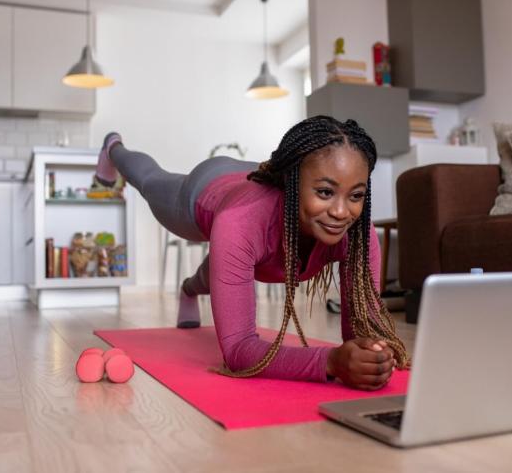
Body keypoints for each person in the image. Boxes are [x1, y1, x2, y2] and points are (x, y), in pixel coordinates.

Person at [94, 116, 409, 390]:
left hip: (249, 217)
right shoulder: (240, 221)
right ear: (291, 183)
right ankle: (113, 149)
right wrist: (330, 362)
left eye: (355, 195)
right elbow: (239, 352)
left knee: (229, 259)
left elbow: (362, 332)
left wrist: (372, 352)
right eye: (325, 192)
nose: (342, 211)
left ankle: (189, 288)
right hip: (206, 191)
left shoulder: (359, 235)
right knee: (151, 182)